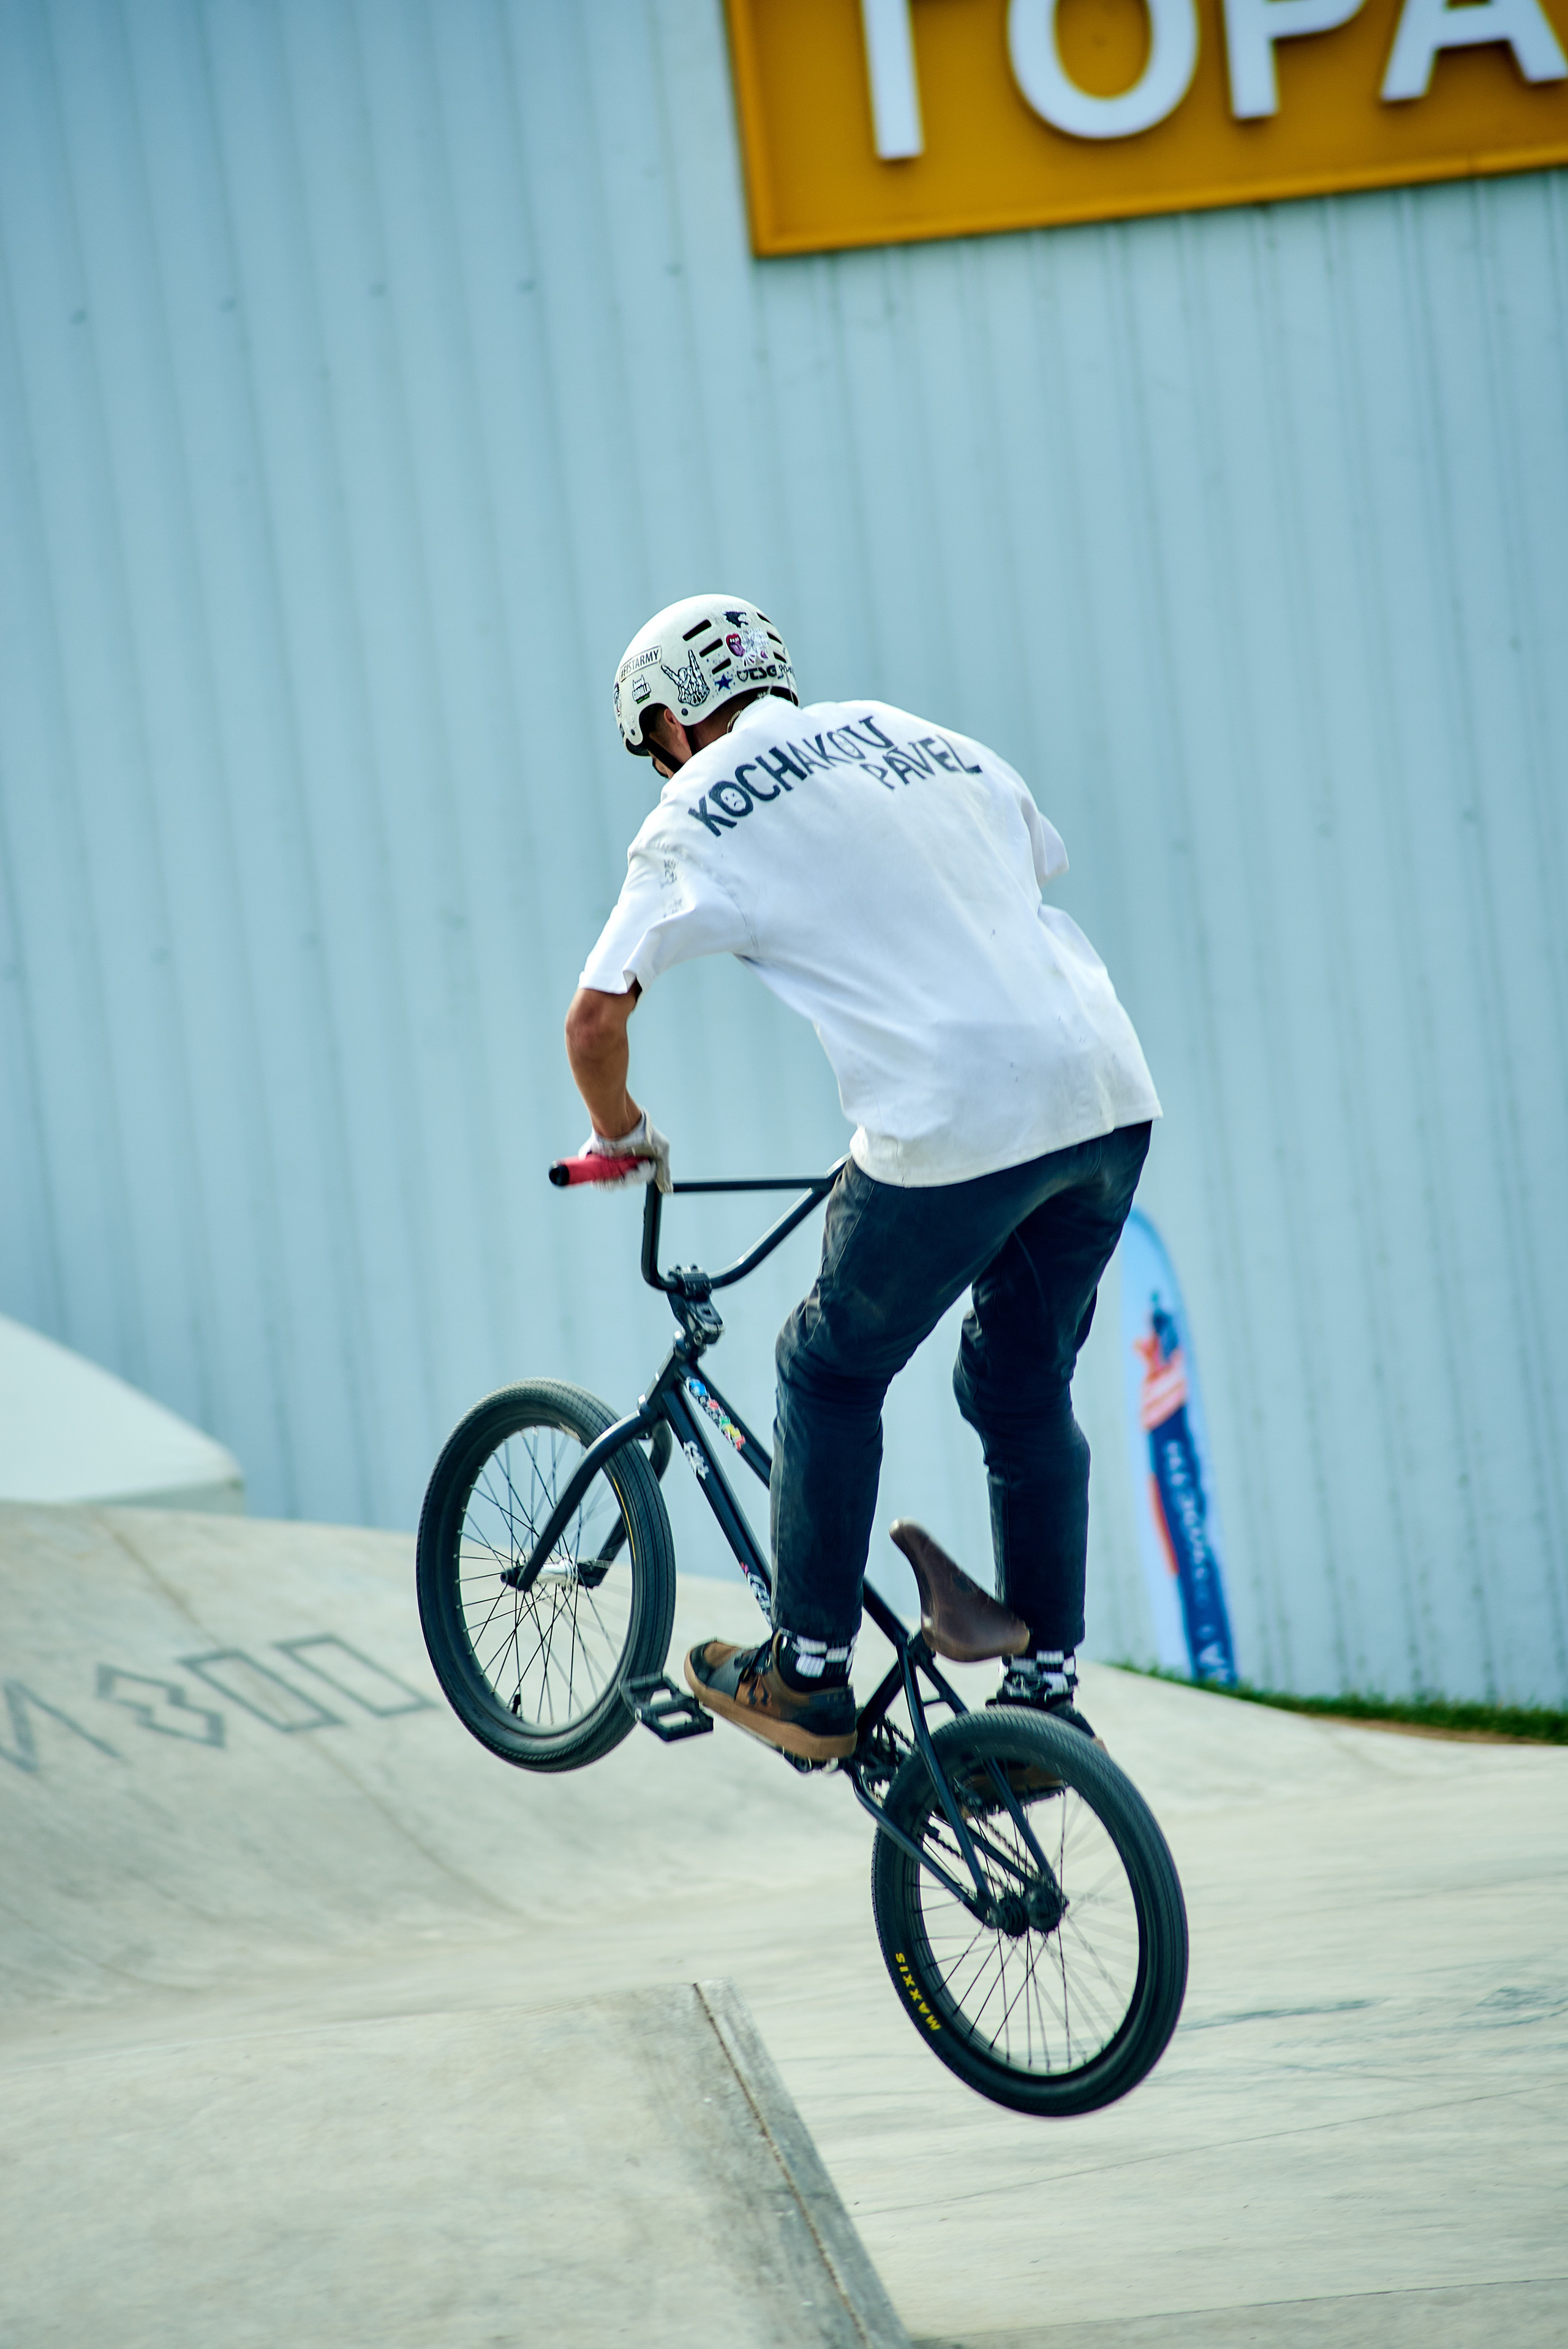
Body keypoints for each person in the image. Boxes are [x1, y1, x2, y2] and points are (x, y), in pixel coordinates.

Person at [565, 594, 1159, 1764]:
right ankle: (1045, 1701)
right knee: (1021, 1386)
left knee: (827, 1367)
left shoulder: (696, 810)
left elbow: (594, 1023)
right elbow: (1024, 869)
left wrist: (622, 1134)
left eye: (652, 744)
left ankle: (808, 1672)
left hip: (953, 1120)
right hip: (1104, 1094)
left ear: (670, 720)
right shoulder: (920, 735)